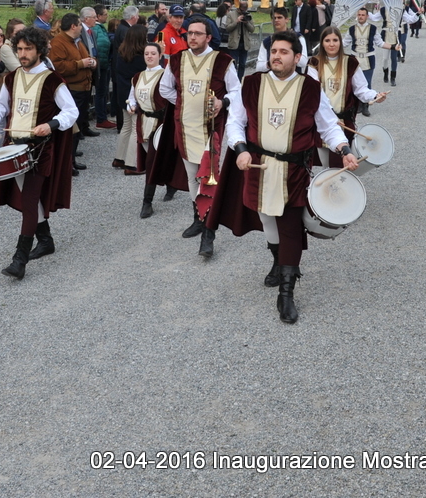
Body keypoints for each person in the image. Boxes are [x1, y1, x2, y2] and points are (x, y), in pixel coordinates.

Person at [206, 31, 359, 323]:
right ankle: (278, 260)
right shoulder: (252, 84)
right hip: (259, 167)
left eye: (283, 52)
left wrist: (344, 149)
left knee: (289, 226)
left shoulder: (311, 88)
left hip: (294, 170)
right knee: (267, 219)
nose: (276, 56)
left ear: (297, 57)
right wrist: (240, 149)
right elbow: (236, 122)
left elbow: (328, 126)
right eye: (274, 51)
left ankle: (286, 293)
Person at [0, 26, 78, 279]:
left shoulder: (52, 80)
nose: (23, 54)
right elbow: (0, 106)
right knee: (31, 200)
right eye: (20, 49)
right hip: (13, 148)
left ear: (40, 50)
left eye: (28, 49)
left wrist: (51, 124)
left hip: (40, 150)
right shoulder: (12, 77)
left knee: (29, 200)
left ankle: (20, 259)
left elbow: (71, 111)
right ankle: (45, 240)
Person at [150, 17, 240, 256]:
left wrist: (223, 102)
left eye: (198, 33)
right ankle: (199, 217)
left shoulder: (222, 61)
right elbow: (165, 89)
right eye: (189, 33)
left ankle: (209, 233)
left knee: (209, 178)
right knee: (192, 176)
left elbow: (237, 90)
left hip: (211, 128)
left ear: (208, 37)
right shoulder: (177, 59)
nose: (192, 37)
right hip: (186, 128)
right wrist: (182, 104)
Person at [306, 26, 387, 166]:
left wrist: (375, 96)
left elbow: (361, 89)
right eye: (327, 40)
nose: (331, 44)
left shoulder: (350, 62)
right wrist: (331, 116)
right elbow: (314, 93)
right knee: (326, 165)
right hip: (323, 121)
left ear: (340, 42)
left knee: (343, 163)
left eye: (335, 40)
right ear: (322, 43)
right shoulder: (314, 63)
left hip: (346, 122)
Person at [127, 41, 168, 217]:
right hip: (142, 122)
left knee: (152, 162)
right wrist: (131, 106)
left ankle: (147, 202)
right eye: (146, 54)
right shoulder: (137, 77)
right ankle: (171, 185)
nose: (149, 56)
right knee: (156, 159)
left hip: (160, 124)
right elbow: (132, 97)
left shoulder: (165, 75)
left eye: (153, 53)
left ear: (160, 55)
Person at [49, 13, 97, 156]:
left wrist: (92, 62)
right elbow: (58, 66)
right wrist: (80, 64)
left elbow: (86, 57)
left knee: (78, 124)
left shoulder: (77, 41)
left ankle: (72, 156)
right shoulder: (58, 43)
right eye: (80, 24)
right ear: (73, 26)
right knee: (71, 126)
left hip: (83, 88)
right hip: (72, 90)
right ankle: (68, 159)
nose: (82, 27)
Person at [113, 24, 148, 173]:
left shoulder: (121, 54)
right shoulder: (141, 58)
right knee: (135, 128)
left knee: (126, 127)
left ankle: (120, 158)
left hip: (123, 92)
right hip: (135, 95)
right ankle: (132, 164)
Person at [345, 7, 384, 113]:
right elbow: (345, 42)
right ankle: (356, 104)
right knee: (353, 83)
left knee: (367, 82)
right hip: (355, 59)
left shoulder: (373, 29)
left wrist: (393, 47)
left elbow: (380, 43)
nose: (361, 17)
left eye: (363, 15)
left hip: (368, 59)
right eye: (359, 15)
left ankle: (365, 106)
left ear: (367, 16)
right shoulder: (352, 29)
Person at [254, 7, 308, 73]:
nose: (276, 20)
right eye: (274, 18)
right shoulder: (267, 42)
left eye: (279, 17)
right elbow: (259, 67)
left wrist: (286, 57)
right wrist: (271, 63)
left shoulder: (298, 38)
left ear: (286, 20)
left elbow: (303, 62)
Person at [89, 6, 116, 129]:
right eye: (105, 14)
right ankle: (101, 119)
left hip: (103, 64)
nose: (107, 16)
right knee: (101, 92)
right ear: (99, 16)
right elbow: (100, 45)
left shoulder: (100, 28)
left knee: (103, 92)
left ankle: (103, 117)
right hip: (101, 65)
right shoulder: (96, 29)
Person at [221, 0, 256, 79]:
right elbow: (228, 28)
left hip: (245, 44)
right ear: (239, 8)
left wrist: (247, 23)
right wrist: (236, 21)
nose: (243, 11)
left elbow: (252, 29)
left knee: (242, 64)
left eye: (245, 10)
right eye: (242, 10)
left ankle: (240, 80)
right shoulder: (231, 14)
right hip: (234, 43)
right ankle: (233, 80)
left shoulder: (248, 15)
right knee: (233, 64)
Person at [380, 4, 406, 87]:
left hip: (395, 36)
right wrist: (367, 13)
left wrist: (417, 14)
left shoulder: (400, 10)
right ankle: (385, 72)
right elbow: (374, 17)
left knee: (393, 58)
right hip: (386, 36)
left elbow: (410, 18)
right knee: (385, 58)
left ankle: (393, 78)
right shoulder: (383, 10)